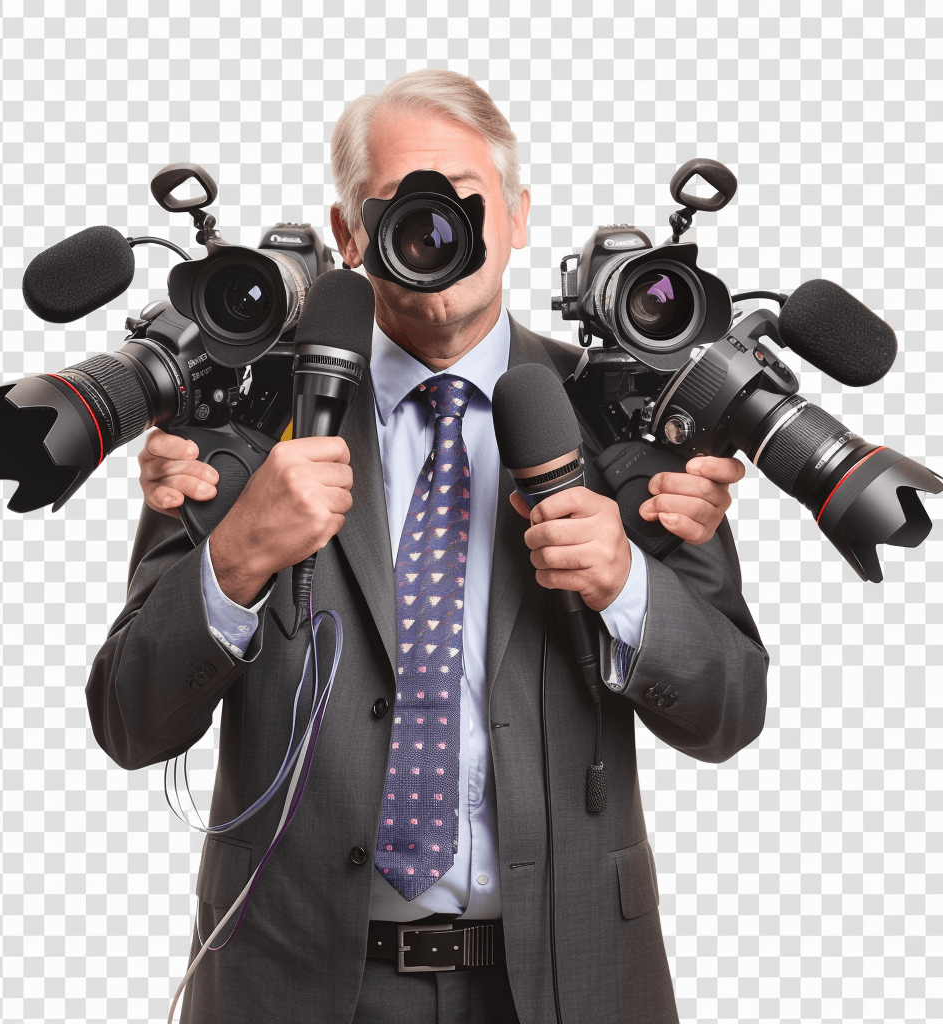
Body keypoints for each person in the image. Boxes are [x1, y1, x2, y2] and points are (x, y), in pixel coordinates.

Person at [87, 70, 768, 1024]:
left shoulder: (627, 415)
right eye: (403, 203)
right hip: (289, 983)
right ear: (349, 232)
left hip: (573, 980)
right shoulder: (239, 420)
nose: (436, 230)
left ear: (519, 217)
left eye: (466, 200)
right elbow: (129, 721)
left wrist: (627, 589)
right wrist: (234, 560)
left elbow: (728, 711)